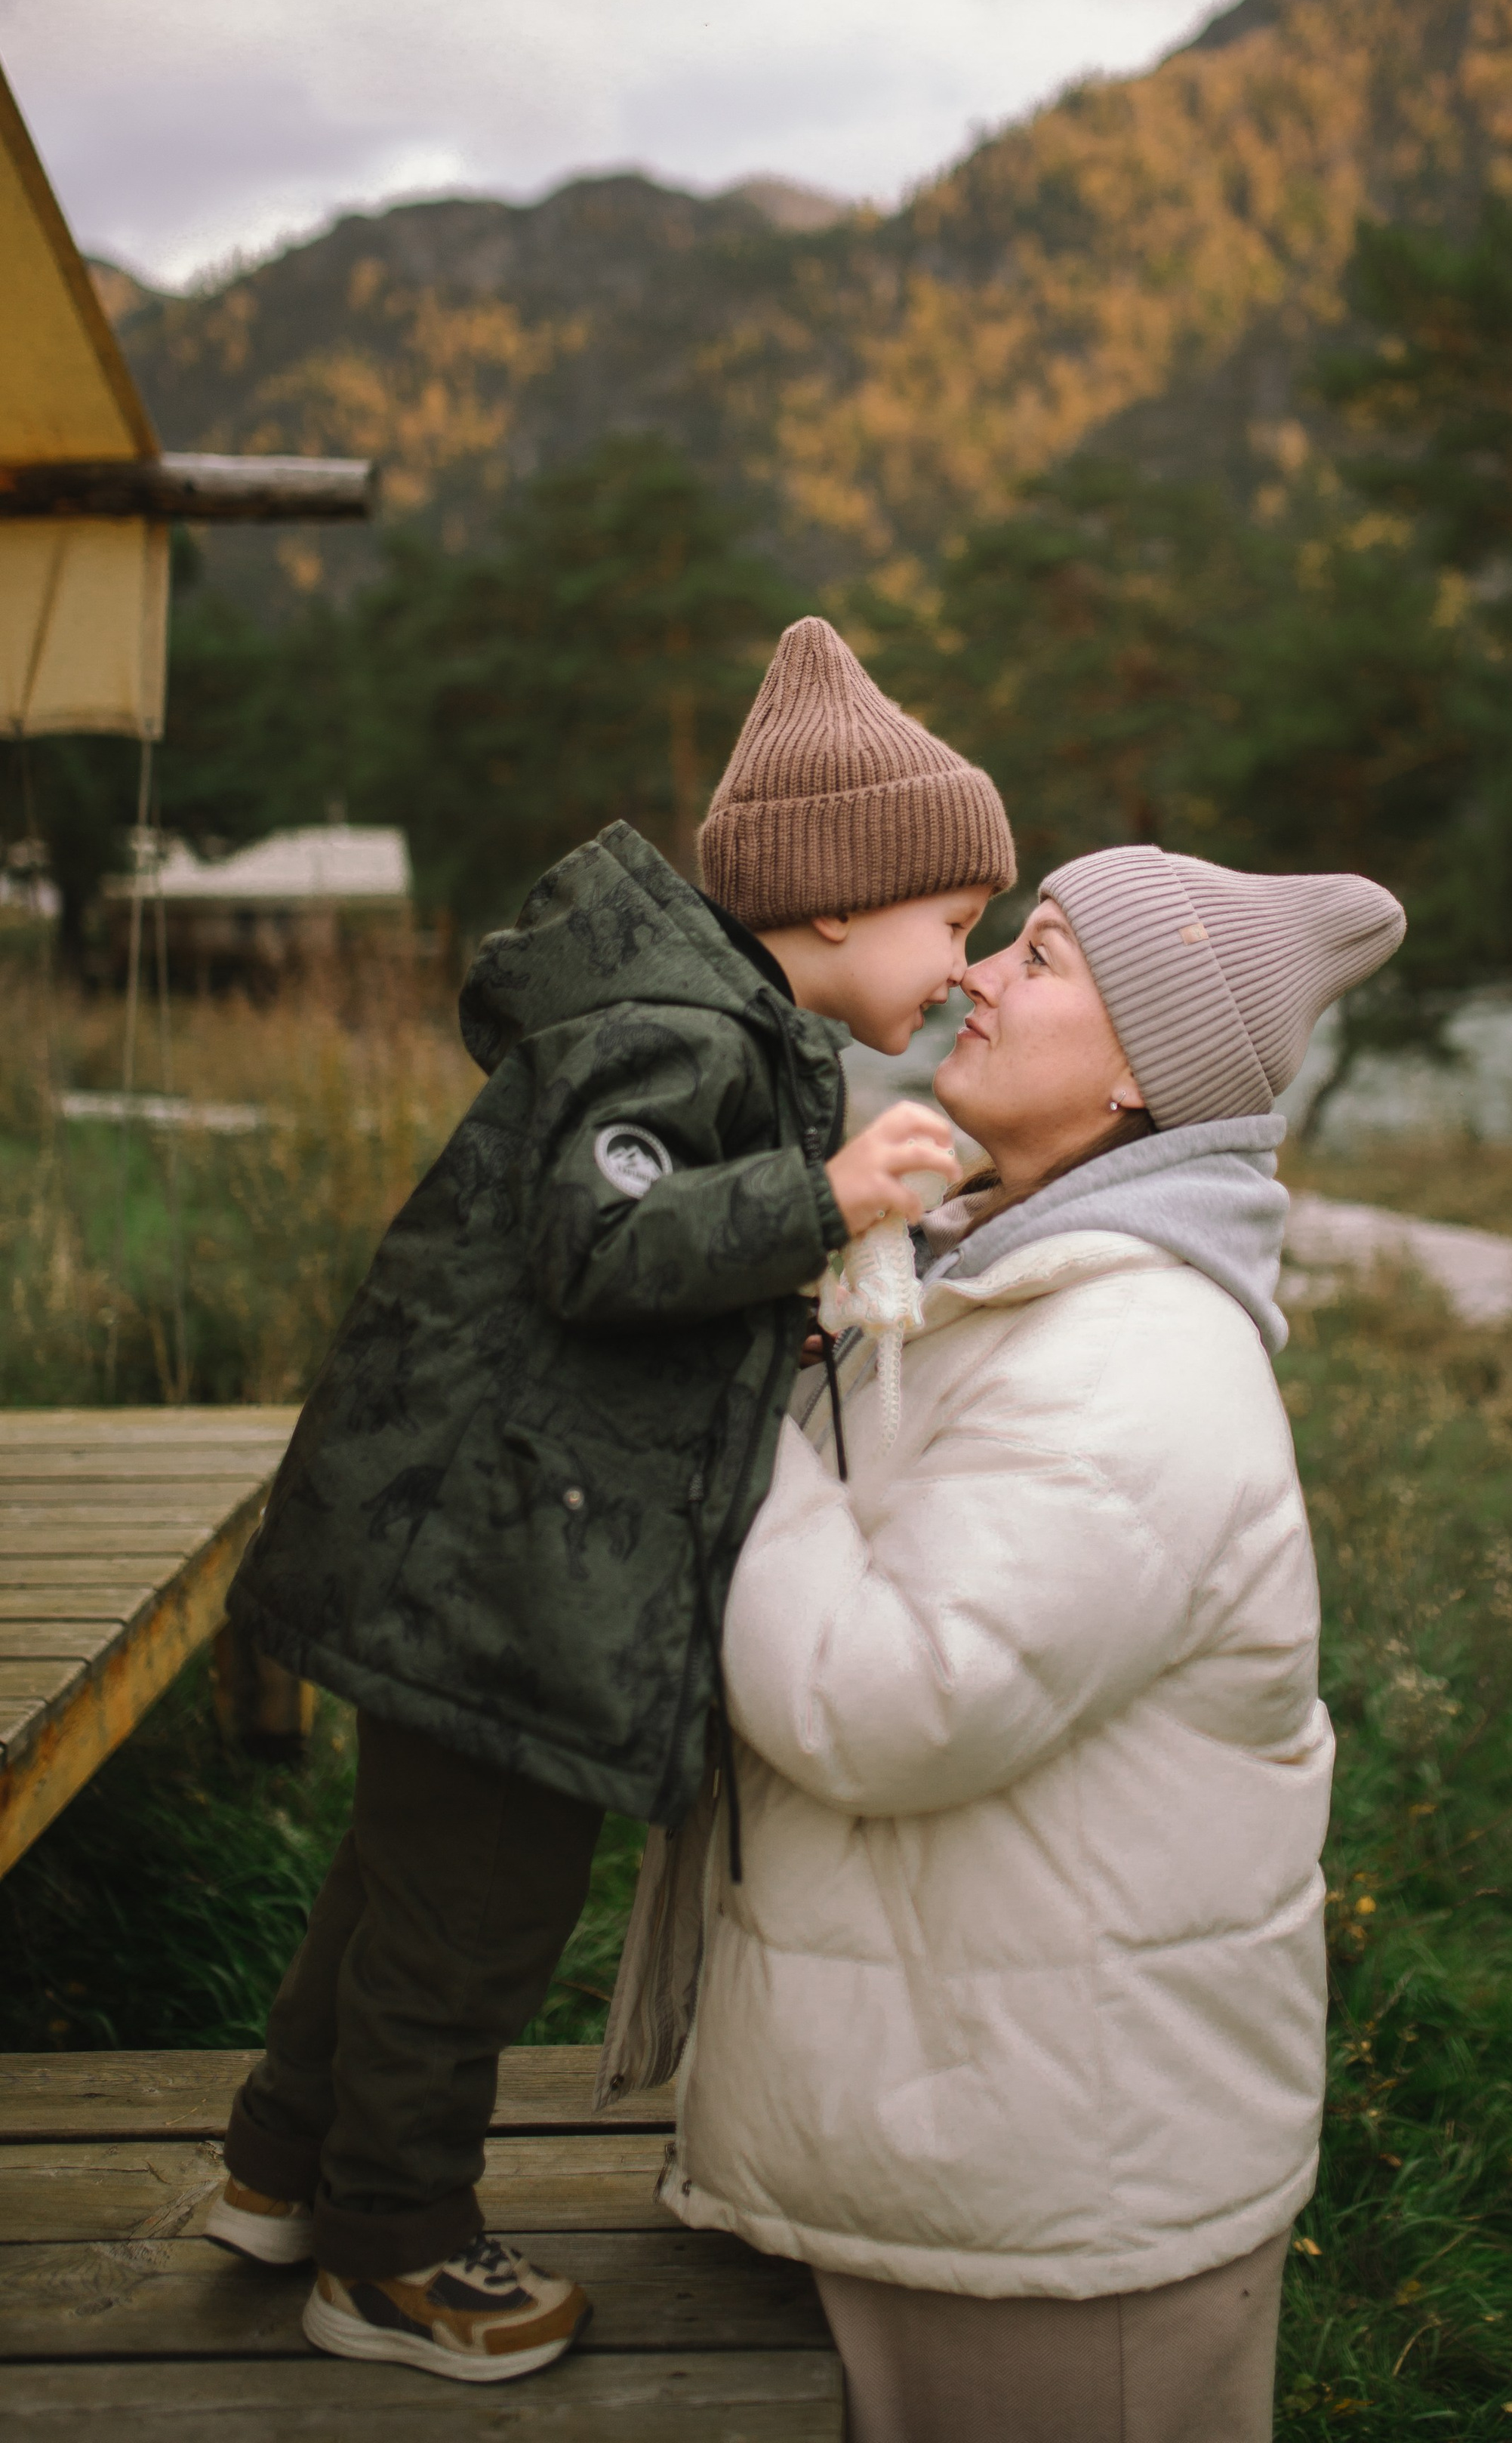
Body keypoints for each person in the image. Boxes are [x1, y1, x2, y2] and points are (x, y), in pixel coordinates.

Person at [208, 618, 1015, 2384]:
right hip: (503, 1562)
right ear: (831, 905)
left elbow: (649, 1287)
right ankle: (393, 2253)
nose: (967, 971)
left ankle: (280, 2169)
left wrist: (793, 1259)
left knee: (400, 1883)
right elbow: (597, 1243)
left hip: (493, 1543)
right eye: (950, 927)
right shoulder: (669, 1036)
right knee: (472, 1924)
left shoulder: (712, 1030)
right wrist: (816, 1199)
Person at [661, 843, 1406, 2443]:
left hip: (1066, 2218)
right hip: (975, 2142)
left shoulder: (1129, 1358)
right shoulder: (1006, 1283)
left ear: (1146, 1071)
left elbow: (886, 1702)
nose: (977, 976)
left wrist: (730, 1419)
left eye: (1045, 957)